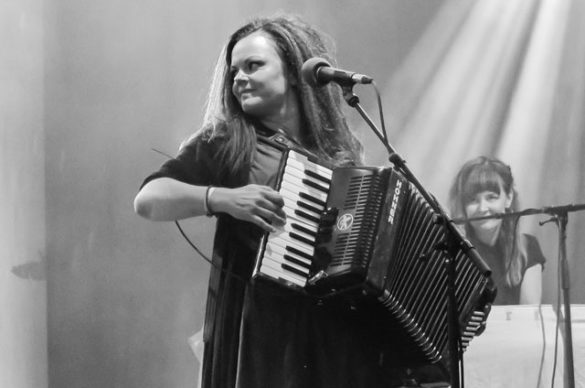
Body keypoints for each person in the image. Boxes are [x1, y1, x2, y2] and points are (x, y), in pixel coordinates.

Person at [134, 14, 406, 388]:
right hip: (265, 336)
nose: (238, 78)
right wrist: (222, 198)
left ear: (294, 72)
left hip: (331, 336)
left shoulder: (336, 153)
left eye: (253, 65)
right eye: (234, 71)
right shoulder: (227, 141)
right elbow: (149, 199)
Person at [449, 156, 546, 305]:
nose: (482, 208)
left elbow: (529, 318)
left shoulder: (528, 248)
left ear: (508, 198)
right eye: (473, 200)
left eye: (491, 198)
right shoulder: (454, 253)